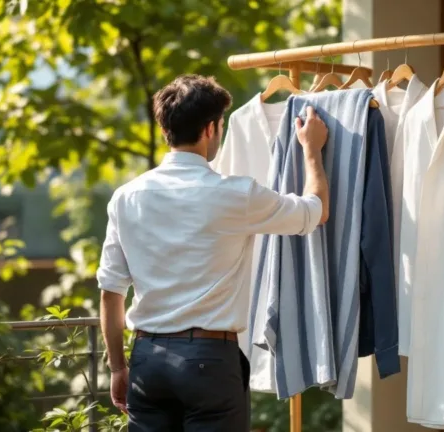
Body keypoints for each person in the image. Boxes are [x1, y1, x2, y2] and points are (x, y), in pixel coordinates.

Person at [96, 74, 330, 431]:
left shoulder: (126, 197)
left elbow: (110, 292)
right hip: (209, 361)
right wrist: (311, 150)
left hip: (147, 361)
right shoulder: (235, 194)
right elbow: (315, 211)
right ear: (210, 129)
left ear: (165, 129)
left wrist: (117, 367)